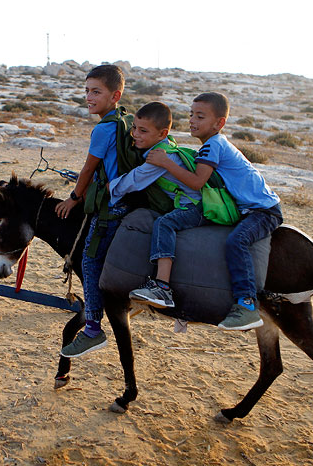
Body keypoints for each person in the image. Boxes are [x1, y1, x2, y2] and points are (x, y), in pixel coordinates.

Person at [142, 92, 283, 330]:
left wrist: (165, 162)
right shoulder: (213, 145)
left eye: (200, 116)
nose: (192, 121)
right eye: (191, 115)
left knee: (236, 242)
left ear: (219, 123)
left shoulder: (213, 145)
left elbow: (196, 182)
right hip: (246, 208)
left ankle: (247, 304)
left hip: (263, 210)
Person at [55, 64, 128, 357]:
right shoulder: (126, 121)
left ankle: (93, 329)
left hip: (111, 208)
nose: (89, 97)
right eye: (86, 91)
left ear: (115, 95)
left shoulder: (103, 128)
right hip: (128, 199)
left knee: (88, 261)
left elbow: (89, 168)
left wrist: (74, 197)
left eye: (96, 91)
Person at [109, 102, 202, 309]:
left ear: (162, 134)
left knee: (164, 224)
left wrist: (106, 187)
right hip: (187, 203)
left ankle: (162, 287)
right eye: (133, 128)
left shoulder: (158, 157)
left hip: (194, 207)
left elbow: (132, 181)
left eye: (143, 131)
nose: (135, 134)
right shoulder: (166, 145)